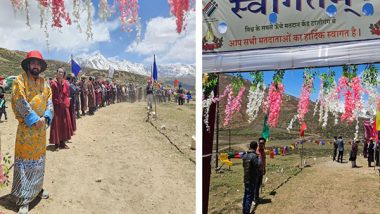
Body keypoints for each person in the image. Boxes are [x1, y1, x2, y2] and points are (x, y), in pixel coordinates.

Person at [10, 51, 53, 214]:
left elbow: (49, 102)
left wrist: (46, 117)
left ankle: (37, 190)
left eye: (38, 63)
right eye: (33, 63)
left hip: (41, 132)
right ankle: (23, 199)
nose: (35, 66)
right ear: (28, 65)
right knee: (24, 163)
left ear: (41, 67)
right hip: (26, 131)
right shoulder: (19, 81)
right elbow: (19, 100)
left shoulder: (45, 83)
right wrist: (35, 119)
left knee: (39, 162)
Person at [49, 68, 73, 150]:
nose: (61, 74)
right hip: (56, 106)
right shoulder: (53, 83)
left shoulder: (65, 83)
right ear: (57, 73)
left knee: (64, 124)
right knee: (56, 124)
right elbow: (50, 95)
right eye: (59, 72)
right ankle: (56, 143)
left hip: (64, 107)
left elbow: (67, 94)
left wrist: (66, 102)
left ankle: (63, 142)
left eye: (62, 72)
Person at [241, 141, 260, 214]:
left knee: (246, 195)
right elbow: (257, 165)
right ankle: (247, 212)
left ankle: (244, 211)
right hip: (252, 178)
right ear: (255, 147)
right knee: (249, 196)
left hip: (246, 177)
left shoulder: (245, 155)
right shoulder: (254, 156)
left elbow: (244, 166)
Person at [254, 137, 266, 204]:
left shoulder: (263, 151)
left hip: (261, 171)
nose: (261, 144)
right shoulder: (255, 151)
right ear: (258, 143)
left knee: (259, 185)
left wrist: (264, 168)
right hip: (256, 171)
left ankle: (256, 198)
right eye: (260, 143)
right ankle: (255, 199)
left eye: (263, 143)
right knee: (256, 185)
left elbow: (264, 160)